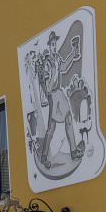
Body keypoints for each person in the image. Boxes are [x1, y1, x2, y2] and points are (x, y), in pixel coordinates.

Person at [39, 31, 84, 169]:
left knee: (68, 118)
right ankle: (44, 156)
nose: (54, 46)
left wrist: (73, 53)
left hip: (59, 92)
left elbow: (64, 67)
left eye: (55, 44)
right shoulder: (47, 63)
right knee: (51, 128)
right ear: (49, 46)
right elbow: (48, 87)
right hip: (52, 95)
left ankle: (73, 151)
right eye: (52, 44)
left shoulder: (57, 58)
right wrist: (53, 73)